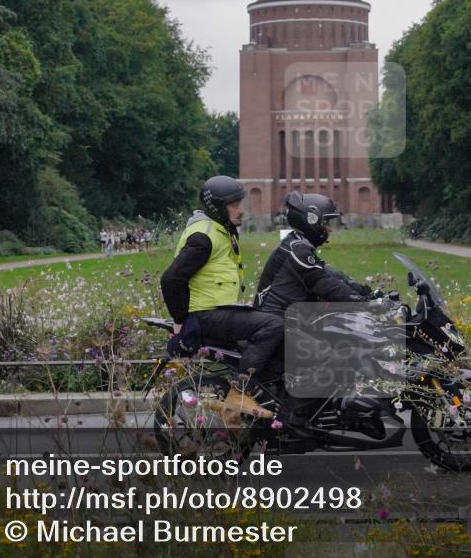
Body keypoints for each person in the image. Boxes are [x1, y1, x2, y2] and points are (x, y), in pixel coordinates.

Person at [161, 176, 283, 414]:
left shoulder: (220, 230)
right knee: (274, 325)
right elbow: (171, 279)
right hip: (205, 314)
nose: (241, 209)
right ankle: (241, 391)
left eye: (240, 203)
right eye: (234, 205)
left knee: (276, 321)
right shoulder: (203, 237)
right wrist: (180, 321)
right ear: (217, 207)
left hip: (219, 310)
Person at [255, 191, 378, 315]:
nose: (329, 228)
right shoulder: (297, 251)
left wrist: (366, 292)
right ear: (311, 220)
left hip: (284, 318)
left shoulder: (296, 244)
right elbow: (326, 286)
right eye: (326, 223)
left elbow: (331, 275)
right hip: (276, 323)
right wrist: (365, 303)